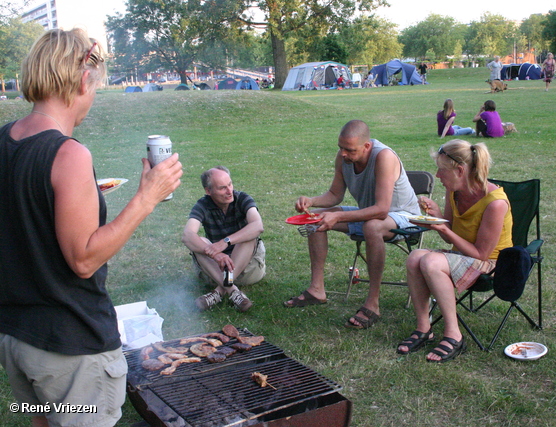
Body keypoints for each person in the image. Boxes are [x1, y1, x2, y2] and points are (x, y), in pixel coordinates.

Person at [0, 29, 182, 427]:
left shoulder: (4, 139)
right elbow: (82, 260)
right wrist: (146, 198)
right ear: (84, 80)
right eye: (96, 87)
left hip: (17, 339)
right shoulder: (68, 153)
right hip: (69, 348)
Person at [283, 120, 420, 330]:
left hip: (404, 217)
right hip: (370, 216)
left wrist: (338, 218)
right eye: (341, 148)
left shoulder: (384, 157)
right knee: (315, 219)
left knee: (372, 227)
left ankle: (373, 303)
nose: (344, 154)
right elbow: (335, 195)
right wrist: (312, 202)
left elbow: (382, 209)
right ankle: (316, 289)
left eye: (350, 150)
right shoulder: (344, 157)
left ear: (367, 146)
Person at [396, 139, 512, 362]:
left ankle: (454, 335)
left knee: (430, 262)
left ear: (460, 170)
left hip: (492, 264)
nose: (437, 176)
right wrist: (436, 216)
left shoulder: (495, 203)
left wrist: (443, 229)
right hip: (462, 255)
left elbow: (481, 254)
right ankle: (424, 328)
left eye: (441, 170)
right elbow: (449, 231)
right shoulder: (455, 191)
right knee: (414, 258)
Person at [183, 166, 265, 312]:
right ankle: (233, 291)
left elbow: (258, 226)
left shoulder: (242, 198)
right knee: (199, 242)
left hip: (247, 269)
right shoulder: (203, 205)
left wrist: (224, 242)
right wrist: (216, 254)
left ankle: (219, 291)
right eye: (222, 188)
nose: (229, 191)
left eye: (230, 184)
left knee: (248, 237)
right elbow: (187, 236)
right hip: (216, 268)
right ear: (208, 191)